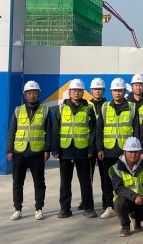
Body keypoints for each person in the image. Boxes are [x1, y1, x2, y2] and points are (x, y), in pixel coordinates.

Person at [6, 80, 52, 221]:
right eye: (29, 93)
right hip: (19, 152)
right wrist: (9, 150)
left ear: (39, 94)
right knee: (17, 183)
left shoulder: (45, 110)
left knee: (39, 183)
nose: (32, 95)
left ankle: (39, 209)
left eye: (35, 93)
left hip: (37, 153)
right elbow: (12, 131)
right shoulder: (18, 110)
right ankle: (17, 209)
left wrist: (47, 149)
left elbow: (49, 132)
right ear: (25, 95)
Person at [52, 78, 97, 219]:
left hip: (83, 150)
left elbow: (93, 130)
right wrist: (55, 149)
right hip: (65, 150)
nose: (76, 93)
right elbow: (55, 130)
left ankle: (88, 208)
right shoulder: (61, 108)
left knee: (86, 182)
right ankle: (65, 209)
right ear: (69, 92)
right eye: (74, 91)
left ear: (83, 93)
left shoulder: (89, 108)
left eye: (79, 91)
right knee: (65, 182)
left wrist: (91, 149)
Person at [96, 77, 140, 220]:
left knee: (128, 180)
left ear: (124, 91)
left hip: (126, 151)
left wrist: (136, 150)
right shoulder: (105, 107)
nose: (117, 93)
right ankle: (109, 206)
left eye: (120, 90)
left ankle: (128, 206)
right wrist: (100, 148)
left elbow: (137, 130)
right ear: (111, 92)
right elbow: (99, 130)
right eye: (115, 91)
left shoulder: (132, 107)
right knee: (107, 180)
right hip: (108, 149)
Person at [110, 136, 143, 237]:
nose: (133, 154)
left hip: (141, 200)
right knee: (119, 202)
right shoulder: (116, 168)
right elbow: (118, 188)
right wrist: (134, 196)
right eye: (130, 151)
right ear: (125, 152)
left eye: (136, 152)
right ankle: (125, 225)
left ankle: (137, 218)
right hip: (126, 200)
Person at [78, 77, 106, 212]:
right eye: (95, 89)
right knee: (87, 177)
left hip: (103, 146)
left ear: (103, 90)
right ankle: (85, 201)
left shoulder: (108, 105)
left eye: (100, 89)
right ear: (91, 90)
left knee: (105, 176)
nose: (97, 91)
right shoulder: (86, 105)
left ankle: (107, 201)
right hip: (89, 146)